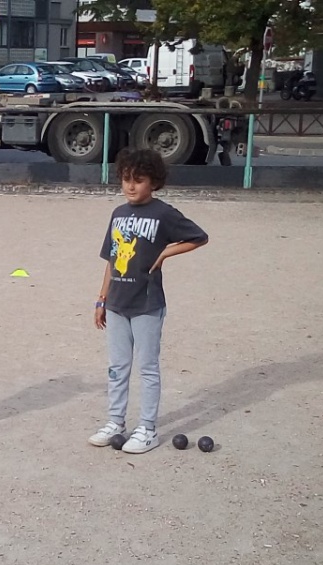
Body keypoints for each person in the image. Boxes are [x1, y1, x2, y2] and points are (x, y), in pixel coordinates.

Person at [90, 148, 208, 453]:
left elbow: (199, 237)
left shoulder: (163, 213)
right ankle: (116, 421)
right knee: (117, 367)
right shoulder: (118, 214)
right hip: (117, 304)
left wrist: (167, 251)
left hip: (146, 304)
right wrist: (101, 300)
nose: (131, 186)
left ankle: (148, 429)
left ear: (153, 182)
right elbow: (112, 260)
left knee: (147, 367)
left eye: (138, 180)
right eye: (126, 179)